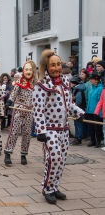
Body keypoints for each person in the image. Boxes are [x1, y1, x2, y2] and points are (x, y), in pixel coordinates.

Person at [33, 49, 84, 204]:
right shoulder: (41, 85)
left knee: (61, 160)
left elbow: (68, 104)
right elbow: (38, 109)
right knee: (53, 157)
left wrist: (80, 113)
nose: (56, 68)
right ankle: (47, 188)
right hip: (49, 129)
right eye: (52, 65)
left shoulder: (65, 82)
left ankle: (55, 187)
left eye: (58, 64)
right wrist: (41, 130)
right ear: (47, 67)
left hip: (63, 129)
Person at [4, 60, 37, 165]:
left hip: (29, 111)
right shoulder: (19, 82)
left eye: (30, 70)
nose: (28, 71)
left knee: (27, 134)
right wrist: (9, 101)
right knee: (14, 132)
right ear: (23, 71)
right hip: (19, 110)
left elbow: (39, 98)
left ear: (33, 71)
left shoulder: (36, 84)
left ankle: (23, 154)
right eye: (26, 69)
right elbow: (13, 94)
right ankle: (8, 153)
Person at [85, 73, 103, 148]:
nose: (91, 81)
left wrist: (99, 111)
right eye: (90, 79)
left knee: (97, 127)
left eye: (92, 79)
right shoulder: (91, 88)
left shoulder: (100, 88)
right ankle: (92, 140)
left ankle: (98, 141)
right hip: (90, 110)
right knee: (91, 127)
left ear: (96, 80)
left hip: (96, 111)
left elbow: (100, 100)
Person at [70, 75, 86, 145]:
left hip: (79, 110)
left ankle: (78, 138)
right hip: (77, 110)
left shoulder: (78, 90)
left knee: (78, 124)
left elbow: (79, 102)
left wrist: (73, 105)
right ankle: (77, 137)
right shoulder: (76, 89)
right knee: (76, 124)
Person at [79, 69, 91, 139]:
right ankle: (84, 133)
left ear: (86, 75)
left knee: (88, 120)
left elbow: (87, 94)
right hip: (83, 103)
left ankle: (88, 134)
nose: (81, 75)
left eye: (83, 74)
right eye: (80, 74)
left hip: (86, 103)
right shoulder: (81, 82)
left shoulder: (88, 83)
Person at [94, 80, 105, 151]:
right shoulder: (103, 90)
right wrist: (96, 111)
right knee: (104, 130)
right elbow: (101, 101)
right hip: (104, 114)